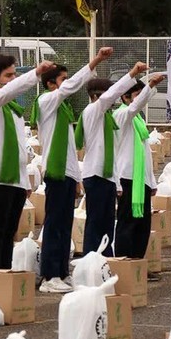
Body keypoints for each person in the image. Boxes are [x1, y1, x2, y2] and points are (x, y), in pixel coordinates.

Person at [31, 47, 113, 293]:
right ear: (50, 84)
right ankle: (49, 276)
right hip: (55, 173)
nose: (67, 84)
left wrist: (76, 178)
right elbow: (71, 87)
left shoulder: (64, 111)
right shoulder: (46, 102)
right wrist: (95, 60)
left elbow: (69, 150)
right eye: (62, 79)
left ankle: (62, 272)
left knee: (65, 225)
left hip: (67, 173)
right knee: (54, 225)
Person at [0, 55, 55, 270]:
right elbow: (8, 92)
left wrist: (25, 181)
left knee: (10, 231)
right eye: (8, 75)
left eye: (14, 74)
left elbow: (20, 148)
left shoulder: (15, 111)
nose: (13, 79)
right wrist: (35, 73)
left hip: (16, 180)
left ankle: (5, 274)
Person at [76, 61, 149, 259]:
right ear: (95, 96)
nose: (112, 100)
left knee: (108, 225)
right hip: (95, 175)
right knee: (96, 223)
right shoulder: (92, 111)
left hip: (107, 176)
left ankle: (105, 261)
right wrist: (132, 73)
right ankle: (92, 260)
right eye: (106, 95)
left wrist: (116, 183)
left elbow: (113, 154)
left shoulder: (108, 119)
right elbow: (112, 96)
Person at [113, 73, 165, 259]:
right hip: (127, 178)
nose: (141, 99)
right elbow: (134, 107)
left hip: (141, 179)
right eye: (137, 95)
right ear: (125, 97)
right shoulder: (121, 115)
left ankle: (137, 263)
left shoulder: (139, 121)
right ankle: (123, 261)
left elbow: (145, 153)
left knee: (143, 224)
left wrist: (152, 181)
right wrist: (150, 85)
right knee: (127, 221)